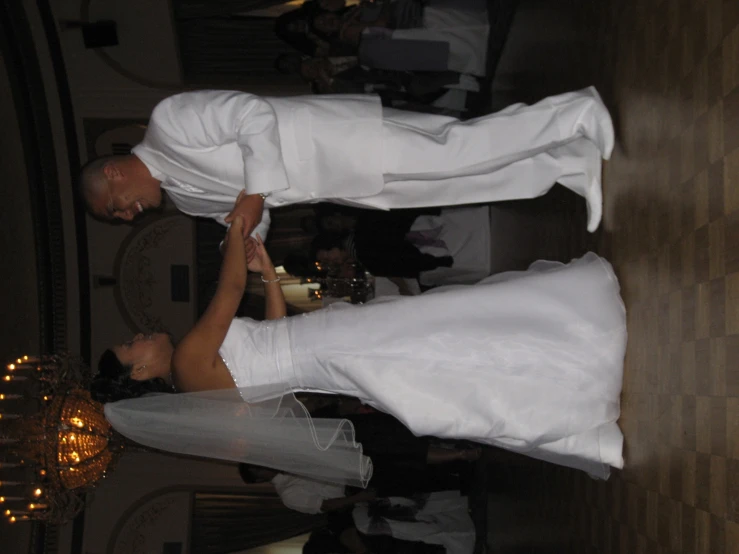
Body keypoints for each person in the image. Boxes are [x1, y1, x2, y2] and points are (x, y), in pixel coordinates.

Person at [95, 215, 627, 485]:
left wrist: (269, 278)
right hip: (327, 347)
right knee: (439, 335)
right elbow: (229, 291)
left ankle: (577, 419)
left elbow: (270, 333)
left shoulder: (197, 385)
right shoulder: (187, 357)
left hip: (322, 356)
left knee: (439, 351)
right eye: (129, 346)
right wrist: (236, 226)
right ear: (140, 371)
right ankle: (573, 351)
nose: (137, 336)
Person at [78, 87, 614, 239]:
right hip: (337, 183)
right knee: (454, 184)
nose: (128, 216)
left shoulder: (168, 122)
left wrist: (253, 195)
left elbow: (250, 114)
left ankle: (572, 112)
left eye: (115, 209)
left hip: (335, 139)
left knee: (455, 148)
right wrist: (251, 242)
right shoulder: (186, 200)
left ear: (114, 173)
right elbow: (251, 213)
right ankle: (565, 165)